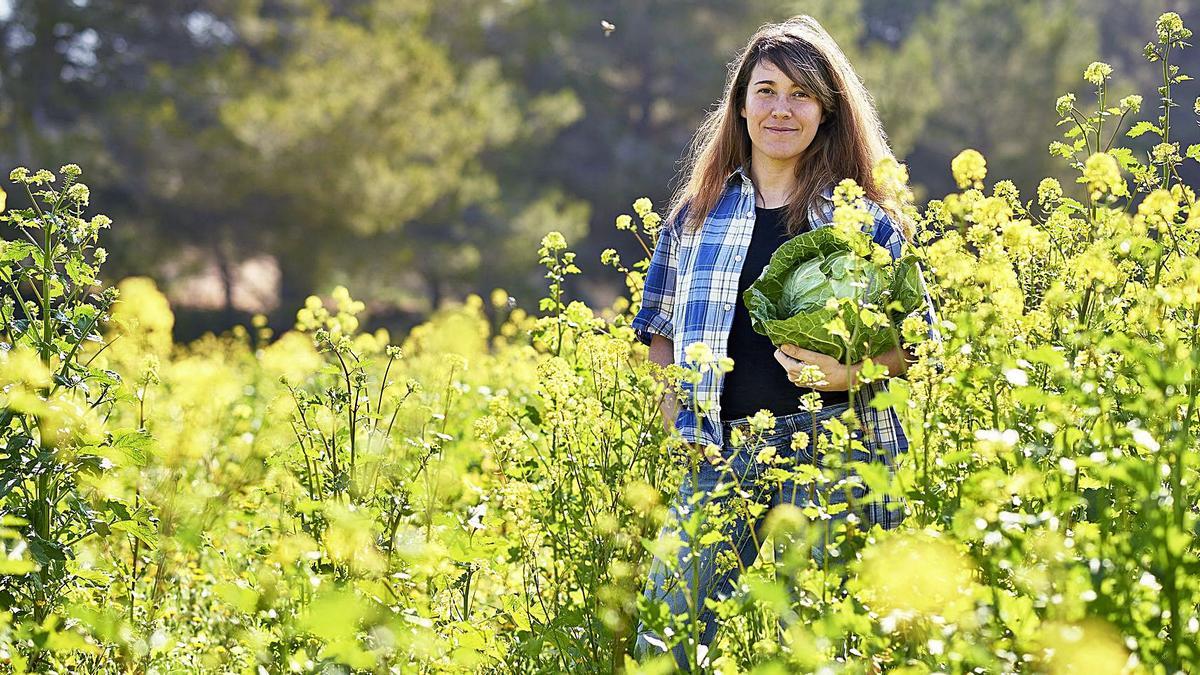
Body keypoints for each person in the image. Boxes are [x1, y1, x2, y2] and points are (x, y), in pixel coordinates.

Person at [628, 15, 939, 669]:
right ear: (740, 105)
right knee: (665, 636)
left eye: (801, 95)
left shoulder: (864, 221)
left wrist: (846, 373)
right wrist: (674, 413)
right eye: (766, 90)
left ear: (826, 114)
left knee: (834, 645)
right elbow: (655, 329)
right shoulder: (695, 214)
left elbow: (921, 345)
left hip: (836, 452)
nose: (781, 109)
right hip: (721, 452)